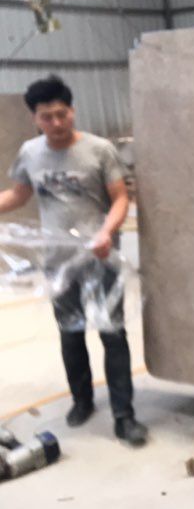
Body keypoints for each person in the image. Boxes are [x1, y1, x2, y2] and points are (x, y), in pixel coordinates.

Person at [0, 76, 147, 446]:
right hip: (59, 263)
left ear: (73, 111)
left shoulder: (99, 150)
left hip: (101, 258)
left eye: (62, 114)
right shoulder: (30, 152)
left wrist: (107, 232)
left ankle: (124, 416)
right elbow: (19, 195)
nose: (56, 123)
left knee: (113, 333)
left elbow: (120, 198)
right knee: (70, 332)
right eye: (46, 117)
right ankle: (82, 401)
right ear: (35, 118)